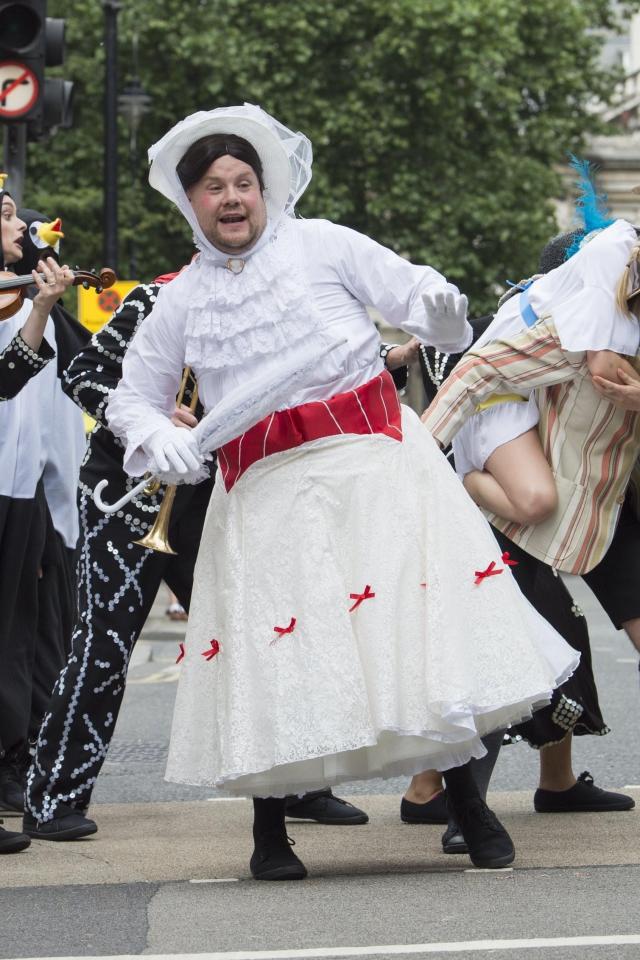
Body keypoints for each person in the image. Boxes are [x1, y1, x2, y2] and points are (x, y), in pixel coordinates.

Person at [104, 103, 579, 880]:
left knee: (412, 633)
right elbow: (131, 398)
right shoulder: (182, 298)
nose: (232, 198)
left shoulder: (325, 244)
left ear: (266, 189)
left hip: (373, 468)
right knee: (281, 650)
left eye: (244, 183)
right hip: (263, 490)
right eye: (214, 187)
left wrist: (437, 307)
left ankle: (468, 804)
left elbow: (419, 295)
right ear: (190, 203)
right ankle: (270, 833)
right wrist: (161, 438)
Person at [24, 275, 369, 840]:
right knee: (104, 645)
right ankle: (54, 795)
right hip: (128, 495)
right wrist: (153, 416)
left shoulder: (268, 313)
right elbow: (84, 373)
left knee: (272, 637)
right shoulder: (154, 299)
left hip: (214, 497)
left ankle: (302, 784)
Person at [0, 182, 76, 854]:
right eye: (2, 215)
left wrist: (43, 302)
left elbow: (12, 375)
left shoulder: (18, 296)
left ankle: (12, 767)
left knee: (15, 636)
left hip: (17, 490)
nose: (16, 223)